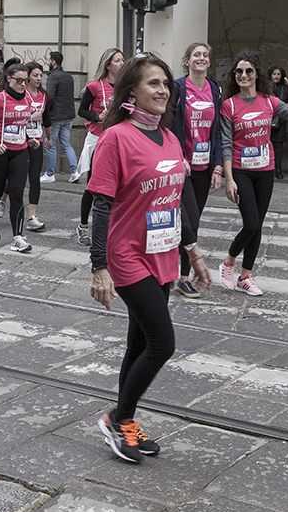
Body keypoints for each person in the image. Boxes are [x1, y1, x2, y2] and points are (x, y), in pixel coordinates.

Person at [87, 53, 210, 463]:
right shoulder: (115, 138)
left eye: (164, 83)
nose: (162, 90)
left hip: (163, 254)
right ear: (131, 92)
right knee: (163, 343)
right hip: (128, 256)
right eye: (152, 83)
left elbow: (178, 200)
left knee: (137, 342)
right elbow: (100, 205)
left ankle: (125, 423)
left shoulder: (171, 138)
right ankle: (116, 417)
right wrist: (99, 265)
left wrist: (192, 251)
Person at [219, 51, 288, 295]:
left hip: (265, 170)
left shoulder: (269, 101)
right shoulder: (229, 105)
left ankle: (245, 277)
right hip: (241, 171)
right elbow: (226, 144)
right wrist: (229, 179)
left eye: (249, 71)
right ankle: (229, 261)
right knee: (250, 223)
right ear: (234, 75)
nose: (244, 75)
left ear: (257, 74)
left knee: (257, 225)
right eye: (239, 71)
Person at [169, 42, 224, 299]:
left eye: (205, 55)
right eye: (196, 55)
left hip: (203, 167)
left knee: (194, 222)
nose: (201, 58)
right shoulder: (179, 88)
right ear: (186, 61)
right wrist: (178, 156)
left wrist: (217, 167)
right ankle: (181, 277)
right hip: (183, 167)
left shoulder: (214, 90)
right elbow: (169, 125)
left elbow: (217, 132)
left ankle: (178, 274)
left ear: (209, 62)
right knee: (186, 221)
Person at [0, 63, 42, 253]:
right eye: (19, 80)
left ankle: (18, 238)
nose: (23, 84)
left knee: (16, 193)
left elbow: (21, 124)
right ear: (9, 79)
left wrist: (31, 139)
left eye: (26, 80)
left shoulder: (28, 99)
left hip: (20, 151)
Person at [73, 48, 125, 246]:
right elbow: (81, 110)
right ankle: (83, 226)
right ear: (108, 65)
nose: (122, 63)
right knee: (94, 184)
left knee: (119, 184)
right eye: (118, 60)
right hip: (97, 138)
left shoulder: (124, 87)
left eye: (122, 60)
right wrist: (97, 117)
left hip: (118, 140)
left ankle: (113, 226)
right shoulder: (94, 86)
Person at [23, 61, 52, 232]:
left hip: (37, 140)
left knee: (34, 177)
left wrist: (48, 138)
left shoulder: (43, 96)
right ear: (27, 77)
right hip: (19, 139)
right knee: (15, 177)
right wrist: (29, 117)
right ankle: (1, 198)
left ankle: (32, 216)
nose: (39, 78)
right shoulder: (21, 94)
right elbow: (13, 116)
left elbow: (46, 119)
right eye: (35, 75)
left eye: (41, 75)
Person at [43, 51, 78, 183]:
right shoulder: (68, 76)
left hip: (55, 116)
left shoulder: (53, 76)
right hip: (68, 115)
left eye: (49, 60)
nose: (48, 62)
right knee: (66, 144)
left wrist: (45, 111)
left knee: (50, 143)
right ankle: (75, 171)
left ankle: (50, 174)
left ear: (53, 62)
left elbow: (49, 96)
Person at [268, 66, 288, 179]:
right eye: (274, 74)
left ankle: (278, 169)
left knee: (278, 147)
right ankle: (268, 169)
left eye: (278, 74)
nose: (276, 76)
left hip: (280, 121)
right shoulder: (265, 87)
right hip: (266, 120)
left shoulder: (285, 88)